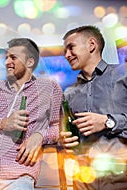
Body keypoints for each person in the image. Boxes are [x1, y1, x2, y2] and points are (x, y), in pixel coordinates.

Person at [0, 38, 63, 189]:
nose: (7, 62)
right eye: (7, 57)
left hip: (19, 176)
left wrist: (40, 135)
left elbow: (59, 127)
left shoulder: (49, 88)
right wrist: (2, 124)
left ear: (30, 62)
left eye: (13, 57)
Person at [60, 25, 127, 189]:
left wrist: (108, 122)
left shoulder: (123, 75)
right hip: (83, 180)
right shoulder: (69, 94)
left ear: (91, 45)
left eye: (71, 47)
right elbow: (65, 133)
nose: (67, 55)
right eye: (65, 51)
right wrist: (63, 139)